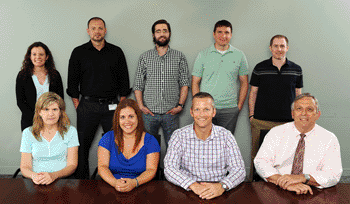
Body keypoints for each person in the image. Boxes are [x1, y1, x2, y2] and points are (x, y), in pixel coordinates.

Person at [67, 17, 131, 179]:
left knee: (117, 144)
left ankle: (116, 179)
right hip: (87, 105)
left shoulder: (116, 52)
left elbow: (124, 80)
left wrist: (121, 105)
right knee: (82, 145)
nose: (97, 31)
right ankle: (82, 182)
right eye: (93, 28)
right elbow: (72, 81)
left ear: (105, 31)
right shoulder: (79, 52)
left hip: (112, 106)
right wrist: (78, 105)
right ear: (88, 31)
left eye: (100, 28)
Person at [254, 93, 342, 195]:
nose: (304, 113)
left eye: (309, 109)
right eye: (299, 109)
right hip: (277, 187)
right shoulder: (276, 132)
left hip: (312, 190)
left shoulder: (329, 139)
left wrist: (303, 178)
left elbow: (333, 174)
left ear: (318, 114)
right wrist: (285, 182)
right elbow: (261, 162)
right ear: (292, 114)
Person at [164, 92, 245, 200]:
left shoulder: (226, 136)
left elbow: (239, 170)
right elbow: (170, 168)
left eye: (206, 109)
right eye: (197, 109)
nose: (202, 114)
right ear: (191, 112)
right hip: (187, 190)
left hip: (218, 190)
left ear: (213, 112)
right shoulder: (179, 135)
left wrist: (222, 186)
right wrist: (193, 185)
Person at [248, 35, 303, 181]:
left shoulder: (296, 70)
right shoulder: (260, 68)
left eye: (282, 46)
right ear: (270, 48)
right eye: (276, 46)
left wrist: (298, 118)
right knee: (258, 156)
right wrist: (252, 116)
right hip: (261, 121)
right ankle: (255, 186)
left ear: (287, 48)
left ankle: (286, 183)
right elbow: (253, 93)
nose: (279, 49)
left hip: (288, 122)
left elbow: (298, 95)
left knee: (286, 158)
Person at [133, 19, 190, 147]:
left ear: (169, 33)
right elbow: (138, 84)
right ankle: (152, 168)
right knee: (148, 148)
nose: (161, 34)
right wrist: (141, 106)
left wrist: (180, 105)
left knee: (174, 148)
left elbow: (184, 83)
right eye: (158, 31)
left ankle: (170, 168)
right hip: (149, 113)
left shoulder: (179, 56)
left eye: (165, 31)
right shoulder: (145, 57)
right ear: (153, 35)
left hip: (171, 113)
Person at [192, 20, 249, 136]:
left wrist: (238, 107)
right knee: (204, 142)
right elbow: (195, 82)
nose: (223, 36)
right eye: (220, 32)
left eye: (227, 32)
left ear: (231, 35)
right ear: (214, 34)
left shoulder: (239, 55)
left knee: (225, 145)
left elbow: (244, 82)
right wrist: (198, 106)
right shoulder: (203, 55)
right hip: (206, 109)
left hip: (229, 109)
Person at [98, 99, 160, 192]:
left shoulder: (151, 141)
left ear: (138, 118)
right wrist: (115, 183)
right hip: (112, 187)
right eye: (122, 117)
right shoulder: (108, 137)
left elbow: (151, 170)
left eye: (131, 116)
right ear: (117, 120)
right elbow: (102, 167)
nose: (127, 121)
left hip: (141, 188)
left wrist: (135, 182)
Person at [20, 92, 79, 185]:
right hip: (36, 181)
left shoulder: (71, 131)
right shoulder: (28, 133)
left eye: (55, 109)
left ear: (60, 112)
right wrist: (34, 176)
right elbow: (25, 166)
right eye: (46, 109)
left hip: (62, 180)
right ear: (39, 112)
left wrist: (53, 175)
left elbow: (72, 165)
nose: (51, 114)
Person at [16, 42, 64, 131]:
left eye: (41, 54)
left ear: (47, 57)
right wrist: (37, 117)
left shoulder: (55, 75)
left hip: (52, 120)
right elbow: (21, 101)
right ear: (30, 57)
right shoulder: (22, 75)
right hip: (30, 121)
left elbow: (60, 99)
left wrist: (50, 116)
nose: (37, 57)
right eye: (34, 54)